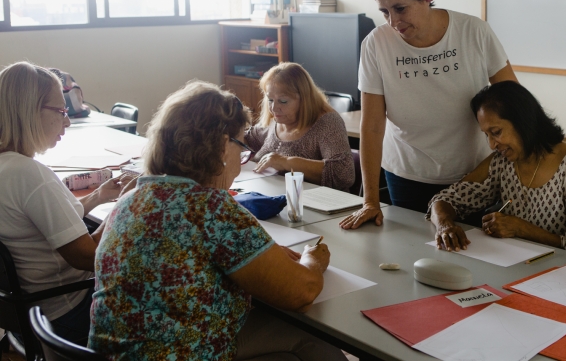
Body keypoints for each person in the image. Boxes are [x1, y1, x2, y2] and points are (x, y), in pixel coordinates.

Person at [90, 81, 347, 361]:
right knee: (312, 337)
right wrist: (314, 261)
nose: (242, 160)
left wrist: (264, 256)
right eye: (242, 146)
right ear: (224, 146)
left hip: (117, 353)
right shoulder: (211, 208)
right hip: (178, 353)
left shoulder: (134, 197)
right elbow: (302, 293)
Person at [340, 0, 517, 227]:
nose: (393, 22)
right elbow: (372, 125)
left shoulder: (474, 31)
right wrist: (370, 201)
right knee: (414, 252)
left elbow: (513, 100)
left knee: (472, 255)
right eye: (384, 12)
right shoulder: (376, 44)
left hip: (472, 173)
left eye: (400, 8)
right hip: (407, 173)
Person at [0, 62, 131, 346]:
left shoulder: (8, 168)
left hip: (24, 311)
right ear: (28, 110)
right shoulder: (29, 175)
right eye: (61, 111)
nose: (68, 121)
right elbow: (89, 257)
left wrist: (97, 197)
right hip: (65, 314)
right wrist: (127, 205)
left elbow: (47, 222)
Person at [428, 81, 566, 263]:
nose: (492, 144)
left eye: (496, 132)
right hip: (529, 268)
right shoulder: (503, 162)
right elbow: (445, 200)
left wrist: (521, 228)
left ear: (522, 122)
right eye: (486, 135)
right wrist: (445, 225)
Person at [245, 62, 355, 191]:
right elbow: (247, 139)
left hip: (316, 205)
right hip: (276, 197)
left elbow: (344, 174)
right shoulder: (276, 119)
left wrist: (286, 162)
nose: (274, 108)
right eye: (270, 100)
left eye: (283, 101)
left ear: (304, 99)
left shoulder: (327, 122)